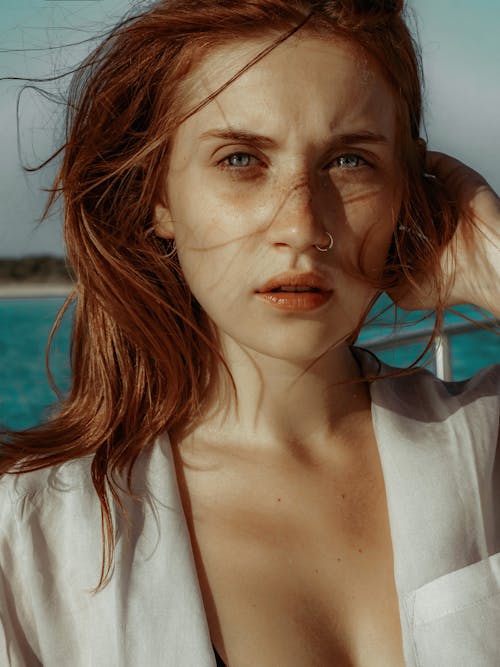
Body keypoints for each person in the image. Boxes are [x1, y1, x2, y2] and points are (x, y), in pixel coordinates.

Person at [1, 1, 499, 665]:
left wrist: (494, 262)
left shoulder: (488, 447)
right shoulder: (27, 537)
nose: (300, 225)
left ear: (408, 188)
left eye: (350, 161)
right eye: (241, 159)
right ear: (160, 198)